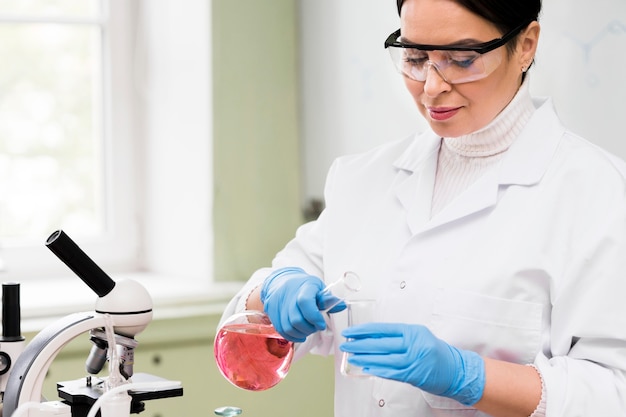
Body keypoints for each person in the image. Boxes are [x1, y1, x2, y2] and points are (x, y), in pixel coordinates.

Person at [219, 0, 626, 415]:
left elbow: (615, 392)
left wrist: (469, 376)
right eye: (415, 57)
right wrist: (271, 293)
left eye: (462, 60)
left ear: (526, 45)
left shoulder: (599, 194)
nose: (431, 86)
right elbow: (247, 329)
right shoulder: (363, 180)